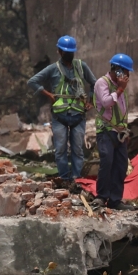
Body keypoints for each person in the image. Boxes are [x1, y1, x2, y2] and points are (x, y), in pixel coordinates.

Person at [27, 35, 96, 192]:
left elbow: (94, 83)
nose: (68, 54)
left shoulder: (81, 66)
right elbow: (32, 82)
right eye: (65, 51)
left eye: (70, 51)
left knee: (78, 149)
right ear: (59, 51)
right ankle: (65, 179)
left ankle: (78, 181)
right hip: (59, 116)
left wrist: (91, 100)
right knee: (60, 150)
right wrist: (48, 94)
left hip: (78, 115)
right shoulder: (53, 69)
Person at [94, 53, 135, 211]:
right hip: (106, 131)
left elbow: (122, 111)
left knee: (121, 165)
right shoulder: (102, 83)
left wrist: (125, 132)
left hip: (120, 132)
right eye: (126, 72)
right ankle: (101, 196)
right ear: (117, 70)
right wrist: (119, 89)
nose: (127, 76)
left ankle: (115, 200)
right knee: (107, 162)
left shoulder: (121, 87)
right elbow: (106, 102)